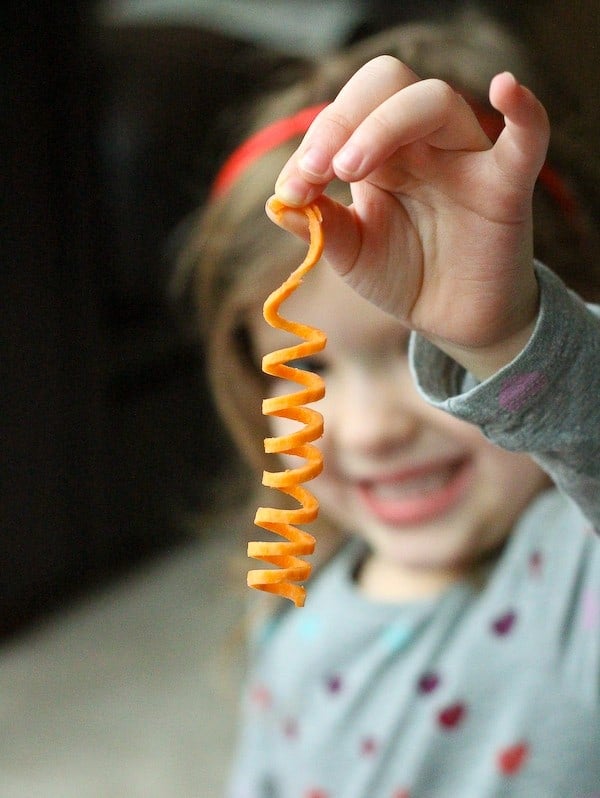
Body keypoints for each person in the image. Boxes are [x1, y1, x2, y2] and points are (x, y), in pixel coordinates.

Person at [175, 10, 600, 798]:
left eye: (428, 356)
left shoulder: (575, 575)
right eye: (307, 369)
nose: (371, 432)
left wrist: (506, 330)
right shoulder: (294, 609)